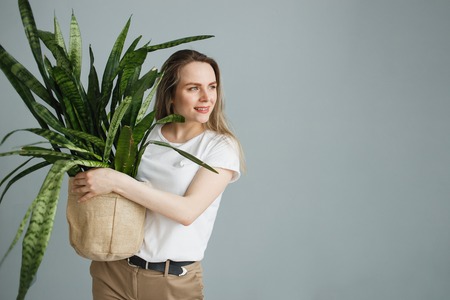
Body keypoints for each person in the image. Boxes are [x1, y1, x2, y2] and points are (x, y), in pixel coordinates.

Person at [72, 49, 243, 300]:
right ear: (171, 95)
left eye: (212, 86)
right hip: (113, 272)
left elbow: (187, 212)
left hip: (171, 282)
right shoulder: (143, 135)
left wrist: (117, 181)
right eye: (194, 88)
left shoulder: (220, 147)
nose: (207, 97)